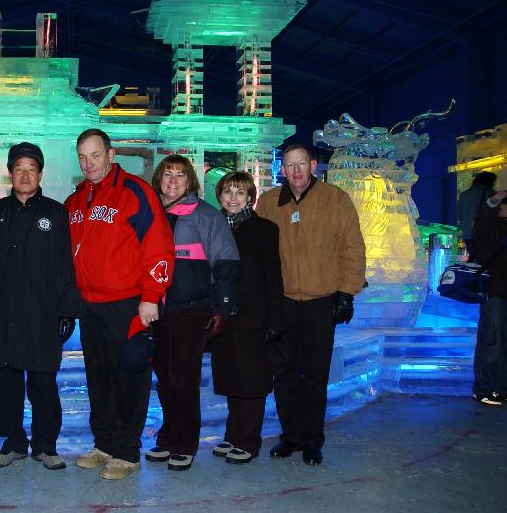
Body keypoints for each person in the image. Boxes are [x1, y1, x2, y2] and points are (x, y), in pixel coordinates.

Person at [65, 128, 175, 480]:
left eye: (95, 155)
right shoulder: (76, 199)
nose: (89, 163)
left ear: (111, 155)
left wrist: (150, 297)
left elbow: (158, 247)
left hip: (128, 303)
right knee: (98, 377)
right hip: (91, 306)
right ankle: (105, 444)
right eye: (82, 157)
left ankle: (127, 451)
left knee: (131, 374)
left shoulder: (135, 192)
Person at [255, 143, 366, 466]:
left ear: (313, 165)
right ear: (282, 170)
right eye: (289, 165)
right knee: (286, 374)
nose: (296, 171)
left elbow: (352, 246)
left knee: (315, 375)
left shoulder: (335, 200)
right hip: (284, 302)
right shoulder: (269, 202)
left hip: (321, 301)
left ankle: (313, 440)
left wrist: (347, 291)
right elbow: (258, 251)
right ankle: (290, 436)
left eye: (301, 164)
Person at [0, 142, 81, 470]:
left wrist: (67, 311)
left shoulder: (55, 213)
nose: (25, 175)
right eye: (19, 168)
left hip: (42, 313)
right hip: (3, 313)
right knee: (7, 383)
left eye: (31, 169)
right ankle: (12, 441)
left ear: (40, 174)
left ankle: (45, 444)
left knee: (42, 383)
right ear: (10, 173)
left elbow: (66, 266)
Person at [144, 156, 240, 471]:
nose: (173, 180)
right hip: (157, 310)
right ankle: (169, 438)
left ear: (190, 183)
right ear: (159, 178)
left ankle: (185, 443)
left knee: (184, 379)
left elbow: (225, 261)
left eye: (180, 176)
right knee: (165, 379)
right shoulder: (148, 212)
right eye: (168, 174)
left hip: (191, 309)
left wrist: (222, 307)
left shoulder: (204, 215)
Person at [211, 171, 284, 465]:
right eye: (228, 191)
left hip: (253, 316)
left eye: (239, 192)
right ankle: (233, 435)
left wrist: (274, 319)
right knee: (231, 379)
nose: (232, 197)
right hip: (223, 316)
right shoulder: (214, 226)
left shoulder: (264, 229)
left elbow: (273, 277)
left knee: (252, 380)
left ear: (250, 198)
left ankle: (248, 440)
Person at [472, 189, 507, 406]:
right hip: (494, 290)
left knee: (503, 343)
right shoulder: (491, 227)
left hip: (501, 291)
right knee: (492, 340)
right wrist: (492, 202)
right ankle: (483, 388)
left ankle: (500, 388)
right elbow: (482, 220)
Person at [457, 172, 497, 262]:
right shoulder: (491, 194)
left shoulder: (464, 195)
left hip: (468, 235)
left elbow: (459, 217)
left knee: (476, 260)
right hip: (485, 235)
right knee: (487, 262)